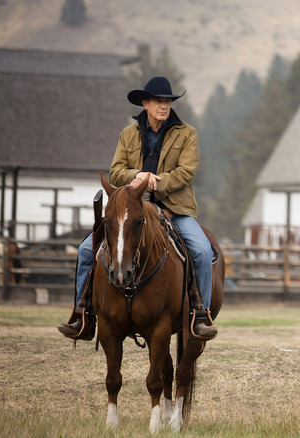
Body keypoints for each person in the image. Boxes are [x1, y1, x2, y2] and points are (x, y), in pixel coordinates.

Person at [58, 76, 217, 338]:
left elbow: (186, 172)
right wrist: (138, 176)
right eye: (158, 101)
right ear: (145, 103)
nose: (164, 106)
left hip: (174, 209)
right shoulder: (128, 134)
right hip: (132, 208)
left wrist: (156, 182)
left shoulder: (187, 134)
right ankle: (82, 315)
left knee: (201, 251)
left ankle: (200, 314)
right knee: (86, 250)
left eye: (167, 101)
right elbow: (116, 172)